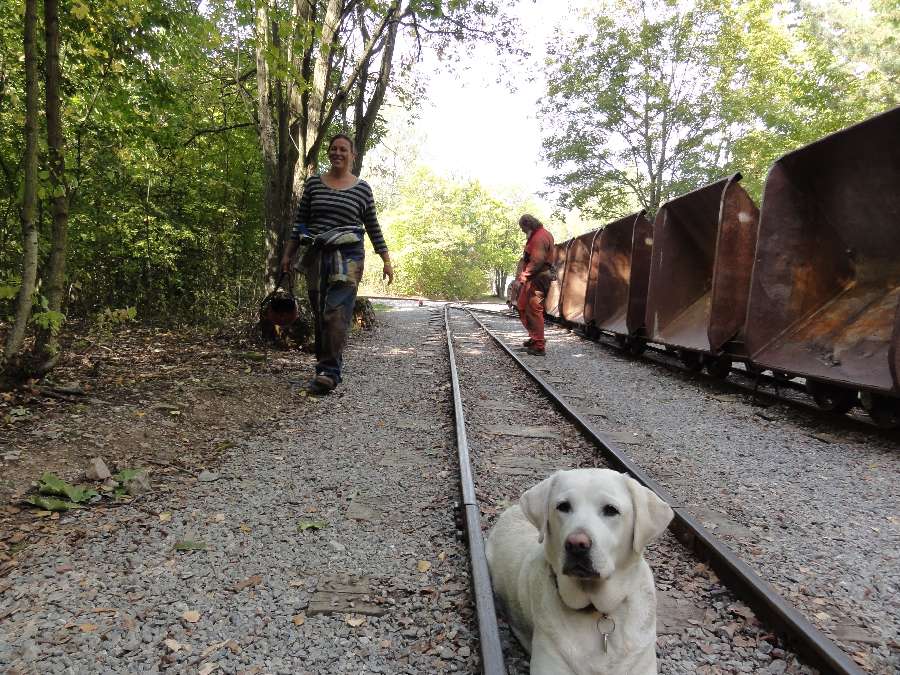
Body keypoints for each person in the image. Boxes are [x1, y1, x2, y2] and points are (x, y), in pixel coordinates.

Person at [280, 134, 393, 395]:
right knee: (321, 314)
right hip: (317, 255)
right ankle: (326, 368)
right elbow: (300, 224)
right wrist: (289, 254)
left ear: (353, 155)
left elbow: (372, 226)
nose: (337, 153)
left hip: (349, 256)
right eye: (333, 149)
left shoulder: (362, 189)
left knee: (336, 312)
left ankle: (329, 373)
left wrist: (386, 260)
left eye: (343, 149)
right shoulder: (314, 184)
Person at [515, 214, 555, 356]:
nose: (522, 231)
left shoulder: (539, 237)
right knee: (522, 306)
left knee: (533, 310)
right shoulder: (540, 234)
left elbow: (537, 261)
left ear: (528, 225)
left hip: (538, 277)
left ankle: (539, 345)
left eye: (522, 228)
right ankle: (535, 338)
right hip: (536, 277)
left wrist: (523, 277)